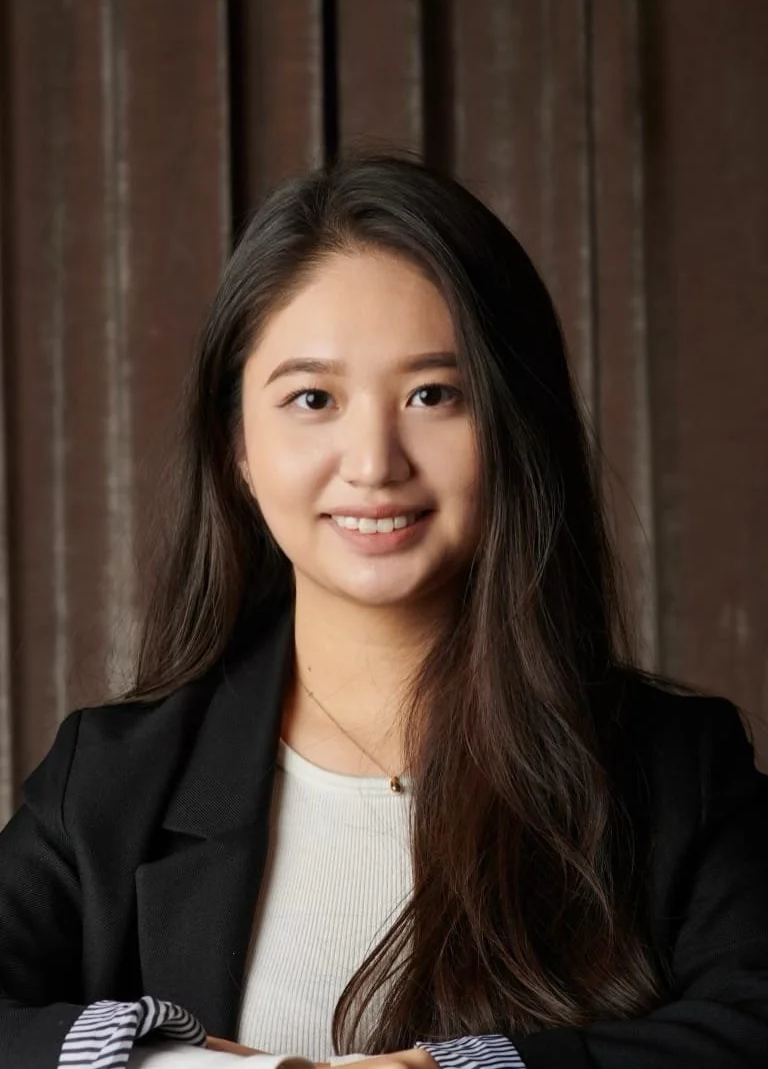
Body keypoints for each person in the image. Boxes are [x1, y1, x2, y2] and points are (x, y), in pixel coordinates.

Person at [1, 153, 766, 1069]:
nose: (373, 460)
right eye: (312, 399)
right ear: (237, 447)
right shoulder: (112, 781)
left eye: (433, 395)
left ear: (516, 426)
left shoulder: (679, 768)